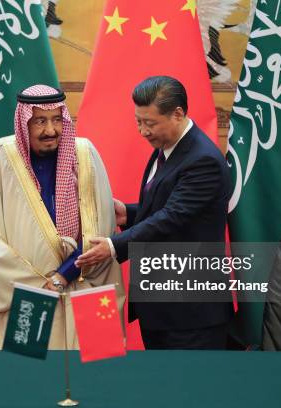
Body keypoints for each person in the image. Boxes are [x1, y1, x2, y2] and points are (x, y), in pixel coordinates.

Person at [76, 76, 233, 349]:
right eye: (138, 121)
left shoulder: (202, 159)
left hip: (191, 314)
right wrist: (128, 212)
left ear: (178, 114)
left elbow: (172, 217)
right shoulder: (168, 147)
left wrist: (113, 246)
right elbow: (168, 207)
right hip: (161, 307)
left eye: (150, 123)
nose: (142, 131)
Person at [0, 84, 124, 350]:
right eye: (40, 121)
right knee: (28, 377)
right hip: (30, 292)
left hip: (86, 286)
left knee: (98, 373)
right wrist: (40, 282)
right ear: (23, 122)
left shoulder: (85, 154)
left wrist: (65, 273)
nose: (50, 131)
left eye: (56, 120)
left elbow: (102, 228)